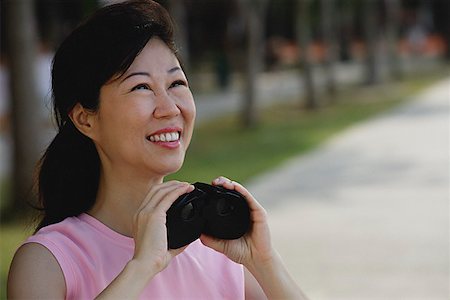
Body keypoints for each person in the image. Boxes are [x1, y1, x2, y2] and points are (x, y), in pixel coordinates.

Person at [7, 1, 308, 299]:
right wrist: (142, 267)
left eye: (176, 83)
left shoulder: (219, 251)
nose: (169, 108)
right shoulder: (48, 263)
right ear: (86, 119)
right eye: (141, 87)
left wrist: (265, 262)